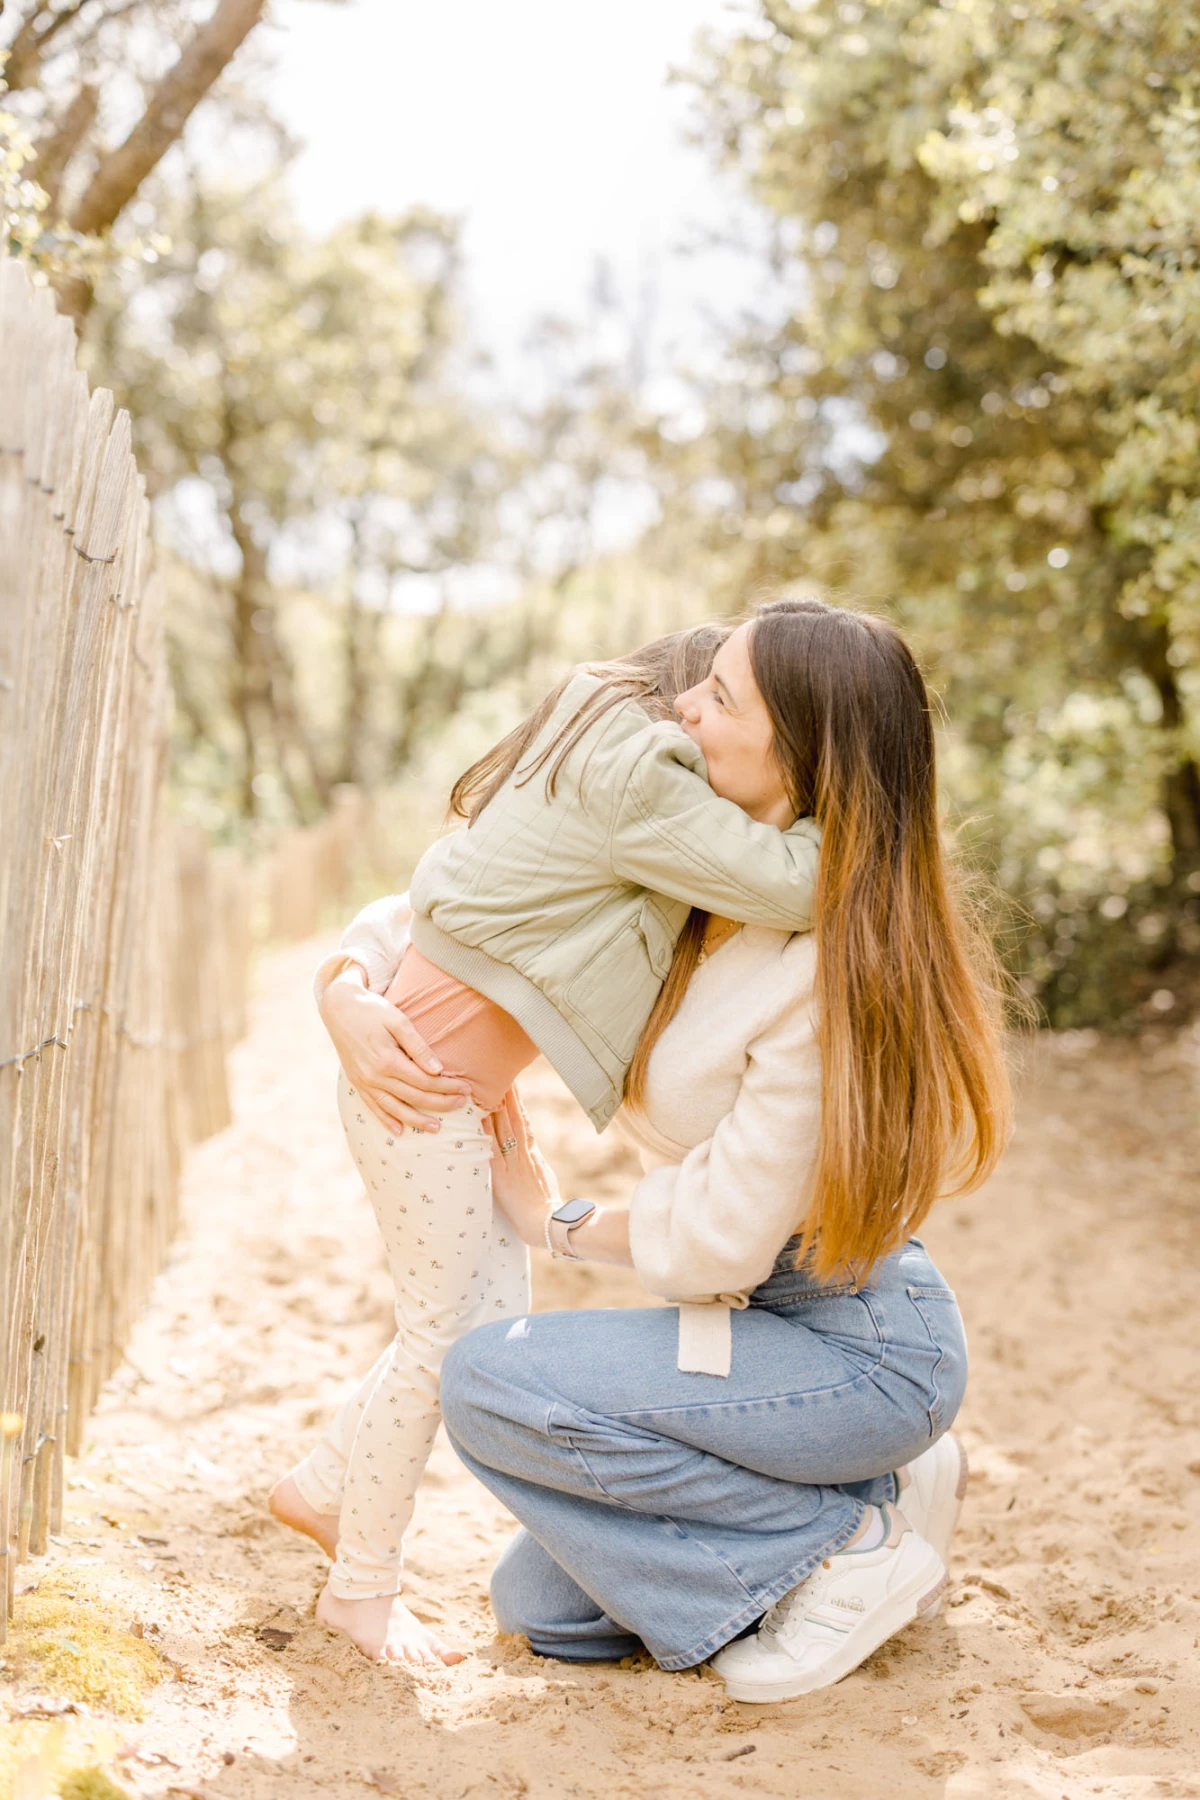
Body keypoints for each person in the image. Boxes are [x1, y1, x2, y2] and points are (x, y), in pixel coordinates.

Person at [435, 597, 1011, 1700]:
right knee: (543, 1610)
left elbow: (720, 1244)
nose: (684, 707)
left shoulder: (828, 970)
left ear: (799, 752)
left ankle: (847, 1553)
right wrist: (346, 989)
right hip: (754, 1326)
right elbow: (484, 896)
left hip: (855, 1344)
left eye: (721, 696)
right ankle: (881, 1501)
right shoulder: (706, 872)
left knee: (490, 1379)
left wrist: (553, 1223)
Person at [269, 622, 824, 1667]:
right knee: (447, 1340)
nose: (700, 719)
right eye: (696, 699)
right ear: (664, 708)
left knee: (483, 1314)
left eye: (725, 703)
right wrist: (847, 823)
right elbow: (792, 882)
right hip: (420, 1096)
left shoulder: (603, 780)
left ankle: (324, 1485)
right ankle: (362, 1586)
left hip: (449, 1099)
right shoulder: (646, 781)